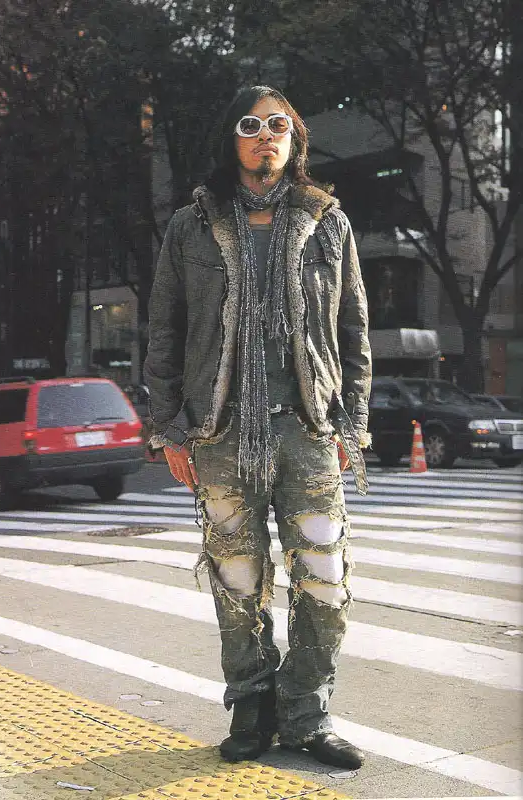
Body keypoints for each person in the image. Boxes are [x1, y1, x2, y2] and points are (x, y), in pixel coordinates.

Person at [144, 85, 372, 770]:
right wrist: (169, 429)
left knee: (324, 579)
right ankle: (251, 706)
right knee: (237, 582)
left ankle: (308, 714)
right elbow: (165, 330)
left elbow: (355, 331)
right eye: (251, 125)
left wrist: (352, 425)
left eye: (278, 125)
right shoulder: (191, 226)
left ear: (294, 139)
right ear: (233, 140)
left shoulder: (328, 222)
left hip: (307, 429)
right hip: (220, 434)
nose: (265, 135)